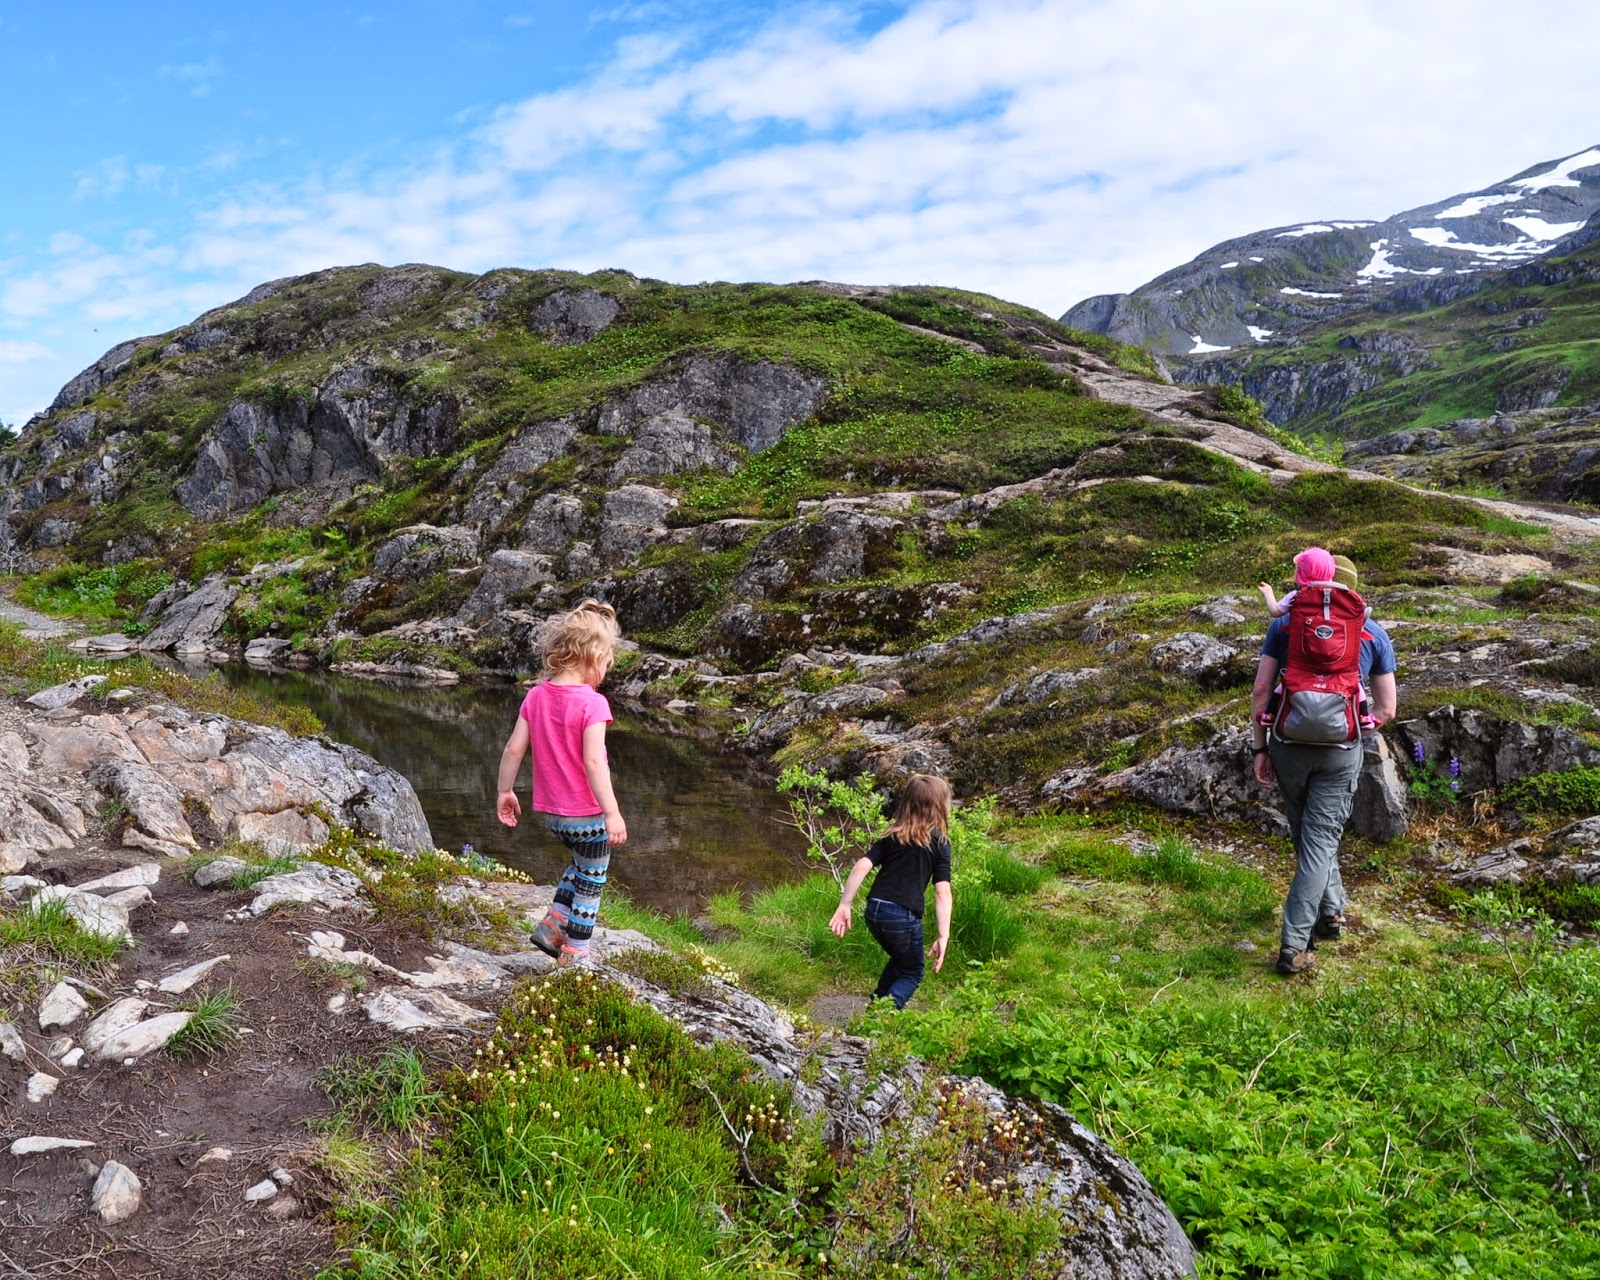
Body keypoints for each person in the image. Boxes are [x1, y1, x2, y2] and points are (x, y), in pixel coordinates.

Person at [1252, 553, 1396, 976]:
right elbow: (1387, 708)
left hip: (1287, 744)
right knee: (1319, 841)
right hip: (1339, 751)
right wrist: (1356, 727)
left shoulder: (1284, 624)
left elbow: (1261, 691)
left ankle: (1325, 917)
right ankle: (1297, 943)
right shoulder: (1371, 632)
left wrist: (1260, 749)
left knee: (1309, 838)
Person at [495, 599, 628, 966]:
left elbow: (513, 748)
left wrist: (505, 792)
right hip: (586, 814)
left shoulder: (536, 696)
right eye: (606, 662)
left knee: (581, 863)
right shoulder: (592, 704)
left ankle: (554, 925)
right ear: (591, 658)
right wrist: (612, 813)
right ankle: (575, 951)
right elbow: (594, 762)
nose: (605, 671)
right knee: (593, 876)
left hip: (553, 814)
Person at [828, 774, 954, 1009]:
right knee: (913, 971)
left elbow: (862, 865)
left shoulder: (892, 834)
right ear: (940, 806)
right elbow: (942, 892)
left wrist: (845, 904)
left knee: (901, 959)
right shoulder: (940, 843)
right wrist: (943, 935)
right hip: (903, 916)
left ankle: (876, 1006)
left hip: (874, 911)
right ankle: (884, 1014)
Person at [1258, 545, 1337, 619]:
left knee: (1280, 621)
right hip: (1333, 628)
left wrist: (1268, 593)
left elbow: (1274, 612)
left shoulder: (1296, 596)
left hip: (1303, 629)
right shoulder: (1339, 595)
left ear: (1301, 573)